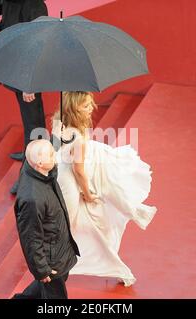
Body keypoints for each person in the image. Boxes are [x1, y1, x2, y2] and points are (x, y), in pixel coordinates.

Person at [52, 92, 158, 287]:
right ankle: (106, 265)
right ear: (75, 108)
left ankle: (68, 263)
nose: (91, 108)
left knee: (81, 227)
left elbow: (62, 152)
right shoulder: (79, 137)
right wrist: (88, 193)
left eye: (90, 103)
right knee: (83, 228)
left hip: (63, 177)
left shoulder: (58, 121)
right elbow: (79, 171)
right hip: (72, 185)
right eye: (85, 106)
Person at [0, 0, 48, 171]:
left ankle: (36, 160)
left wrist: (30, 82)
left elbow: (39, 42)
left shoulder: (34, 5)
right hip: (16, 67)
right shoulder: (10, 2)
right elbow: (6, 23)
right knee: (28, 115)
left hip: (28, 72)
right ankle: (31, 149)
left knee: (33, 116)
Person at [13, 139, 80, 299]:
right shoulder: (32, 199)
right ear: (40, 163)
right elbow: (31, 237)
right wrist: (42, 269)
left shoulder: (40, 172)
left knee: (44, 287)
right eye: (51, 155)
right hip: (51, 261)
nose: (55, 157)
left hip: (58, 249)